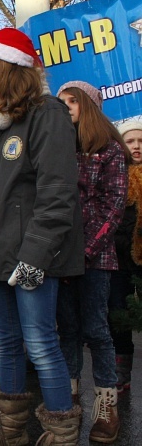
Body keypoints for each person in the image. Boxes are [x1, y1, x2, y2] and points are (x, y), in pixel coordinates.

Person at [0, 28, 84, 445]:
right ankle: (10, 432)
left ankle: (61, 434)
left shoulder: (47, 113)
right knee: (5, 342)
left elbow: (57, 192)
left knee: (41, 344)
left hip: (32, 256)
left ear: (10, 65)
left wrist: (35, 256)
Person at [55, 80, 127, 443]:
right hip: (60, 258)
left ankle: (107, 405)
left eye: (72, 100)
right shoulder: (57, 147)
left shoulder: (109, 149)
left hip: (95, 260)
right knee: (66, 330)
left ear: (89, 105)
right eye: (60, 101)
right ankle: (68, 400)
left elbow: (113, 207)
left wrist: (83, 253)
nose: (65, 106)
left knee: (96, 331)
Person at [109, 120, 142, 394]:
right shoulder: (116, 174)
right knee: (118, 315)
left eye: (141, 141)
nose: (137, 146)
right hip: (119, 260)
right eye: (130, 141)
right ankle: (122, 373)